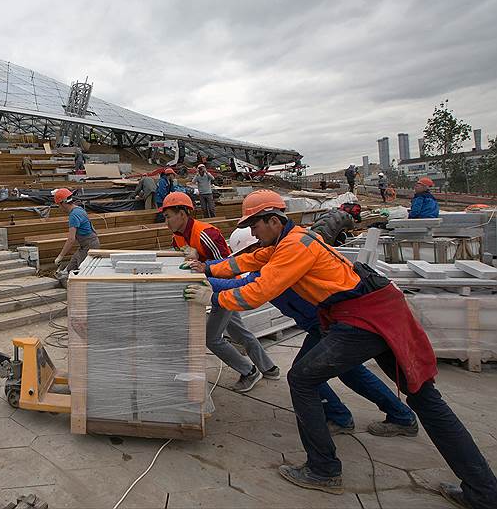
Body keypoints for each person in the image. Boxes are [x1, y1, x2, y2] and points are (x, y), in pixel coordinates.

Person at [185, 189, 497, 506]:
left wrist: (210, 295)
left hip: (363, 316)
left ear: (273, 221)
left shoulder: (293, 247)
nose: (252, 232)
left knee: (303, 378)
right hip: (369, 311)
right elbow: (247, 260)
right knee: (423, 399)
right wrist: (208, 270)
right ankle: (483, 491)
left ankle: (323, 470)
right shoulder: (286, 242)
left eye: (254, 225)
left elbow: (257, 291)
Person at [199, 226, 418, 436]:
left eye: (249, 251)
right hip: (324, 323)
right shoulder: (268, 260)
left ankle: (346, 417)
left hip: (328, 323)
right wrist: (206, 270)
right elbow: (236, 269)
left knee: (307, 373)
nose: (247, 256)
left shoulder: (279, 265)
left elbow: (246, 287)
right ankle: (396, 416)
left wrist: (204, 285)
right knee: (349, 372)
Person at [163, 192, 277, 392]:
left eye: (168, 216)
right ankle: (269, 367)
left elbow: (228, 266)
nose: (166, 221)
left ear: (182, 213)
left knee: (212, 338)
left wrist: (213, 291)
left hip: (225, 289)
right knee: (238, 331)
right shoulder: (177, 238)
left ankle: (249, 371)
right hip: (210, 288)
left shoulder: (206, 233)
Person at [53, 188, 100, 273]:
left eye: (58, 205)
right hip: (87, 244)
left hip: (89, 246)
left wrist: (60, 256)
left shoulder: (73, 215)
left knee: (82, 271)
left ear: (63, 203)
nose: (59, 208)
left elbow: (71, 239)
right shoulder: (79, 209)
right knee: (70, 267)